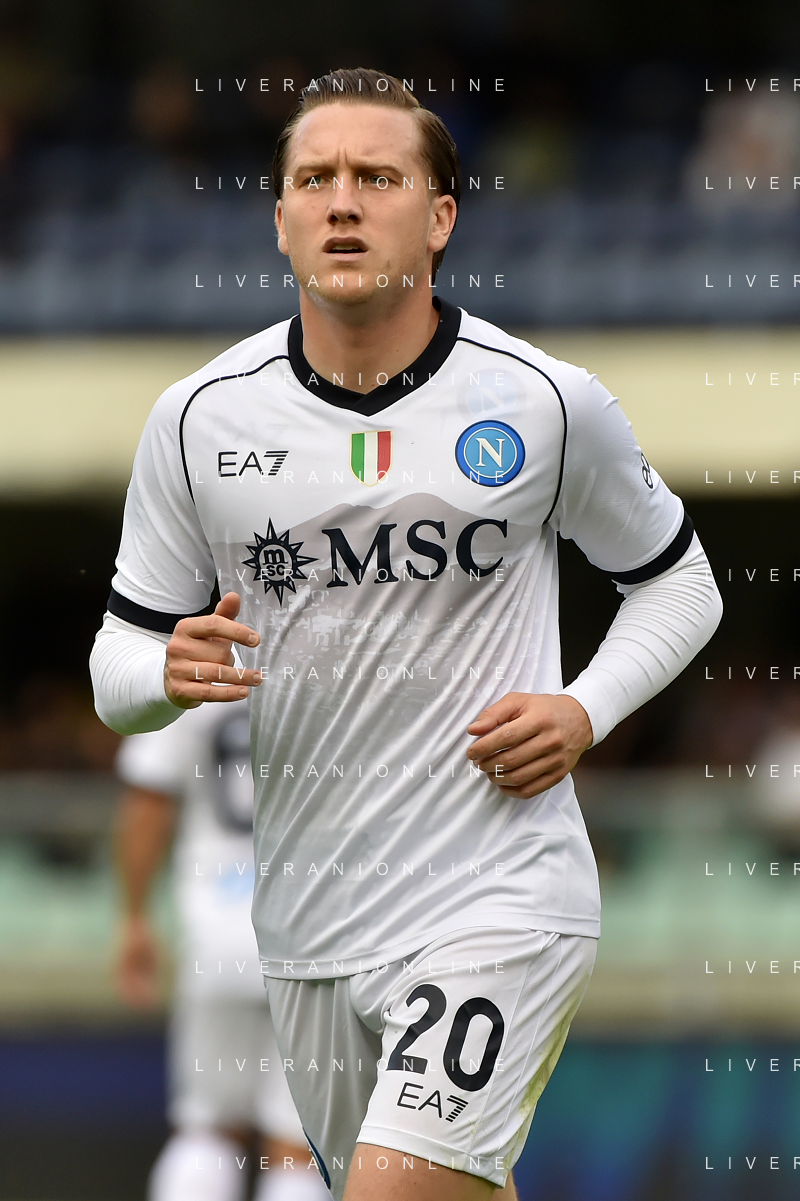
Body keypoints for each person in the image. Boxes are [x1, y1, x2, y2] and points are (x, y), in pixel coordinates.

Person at [91, 68, 723, 1200]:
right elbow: (115, 668)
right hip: (307, 926)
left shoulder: (543, 402)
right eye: (314, 179)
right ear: (279, 219)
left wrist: (584, 707)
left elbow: (681, 585)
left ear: (440, 217)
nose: (342, 202)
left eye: (376, 178)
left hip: (498, 892)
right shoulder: (195, 419)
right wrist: (163, 672)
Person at [114, 699, 329, 1201]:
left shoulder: (191, 672)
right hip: (315, 930)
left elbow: (147, 801)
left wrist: (135, 919)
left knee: (207, 1129)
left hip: (218, 929)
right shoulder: (338, 669)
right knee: (298, 1147)